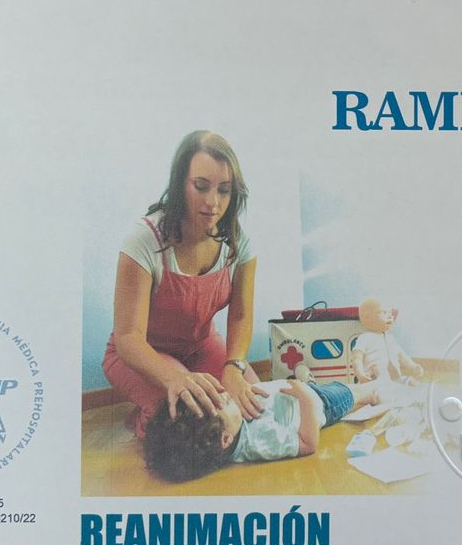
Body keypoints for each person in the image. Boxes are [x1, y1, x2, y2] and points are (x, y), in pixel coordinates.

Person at [104, 131, 267, 438]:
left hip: (201, 347)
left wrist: (234, 368)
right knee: (192, 421)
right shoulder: (144, 240)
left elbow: (241, 315)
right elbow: (128, 339)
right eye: (201, 187)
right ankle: (148, 411)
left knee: (254, 408)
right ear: (181, 183)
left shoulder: (239, 242)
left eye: (224, 190)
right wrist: (174, 379)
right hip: (141, 355)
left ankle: (159, 401)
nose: (213, 202)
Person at [143, 377, 380, 481]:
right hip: (320, 403)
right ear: (225, 439)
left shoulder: (231, 428)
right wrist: (306, 396)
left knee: (344, 386)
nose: (224, 394)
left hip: (296, 394)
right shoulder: (260, 440)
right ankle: (374, 392)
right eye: (223, 402)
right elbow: (307, 444)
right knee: (354, 393)